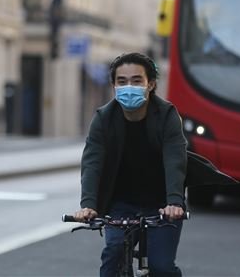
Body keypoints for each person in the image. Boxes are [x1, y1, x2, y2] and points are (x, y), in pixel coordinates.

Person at [73, 52, 187, 277]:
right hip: (120, 204)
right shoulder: (104, 118)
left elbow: (175, 158)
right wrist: (88, 204)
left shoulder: (167, 115)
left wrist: (174, 202)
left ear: (150, 84)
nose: (129, 87)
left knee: (161, 266)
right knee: (112, 257)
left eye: (136, 81)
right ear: (114, 86)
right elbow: (92, 162)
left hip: (162, 204)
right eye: (122, 81)